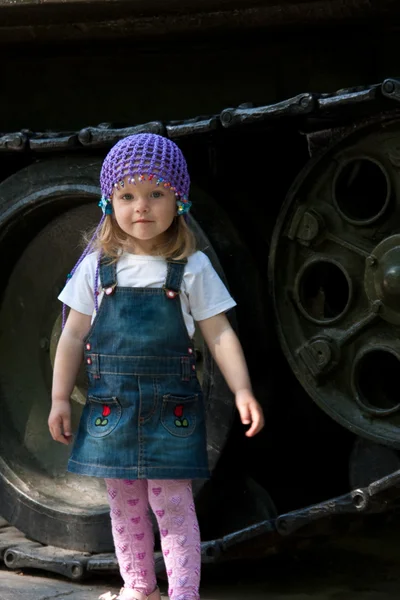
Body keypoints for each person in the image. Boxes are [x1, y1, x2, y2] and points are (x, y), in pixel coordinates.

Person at [48, 133, 264, 600]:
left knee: (172, 502)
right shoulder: (97, 269)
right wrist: (59, 397)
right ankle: (139, 586)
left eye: (155, 194)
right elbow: (71, 335)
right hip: (113, 409)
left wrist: (242, 389)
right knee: (124, 505)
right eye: (127, 195)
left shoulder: (191, 267)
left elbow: (219, 333)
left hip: (172, 412)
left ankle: (184, 591)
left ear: (178, 201)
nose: (141, 207)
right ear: (109, 202)